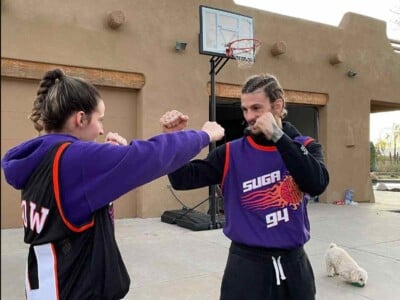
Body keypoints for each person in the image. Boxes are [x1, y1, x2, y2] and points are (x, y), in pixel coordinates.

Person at [1, 68, 225, 300]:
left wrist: (108, 165)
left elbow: (77, 207)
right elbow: (148, 156)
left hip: (50, 288)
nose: (100, 129)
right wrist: (203, 136)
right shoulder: (75, 159)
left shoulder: (42, 158)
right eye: (100, 119)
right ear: (80, 118)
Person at [163, 74, 330, 300]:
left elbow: (317, 183)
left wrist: (279, 138)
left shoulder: (305, 147)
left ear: (278, 106)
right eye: (245, 109)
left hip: (294, 267)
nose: (249, 117)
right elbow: (182, 179)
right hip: (246, 268)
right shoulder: (231, 152)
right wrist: (175, 140)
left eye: (256, 108)